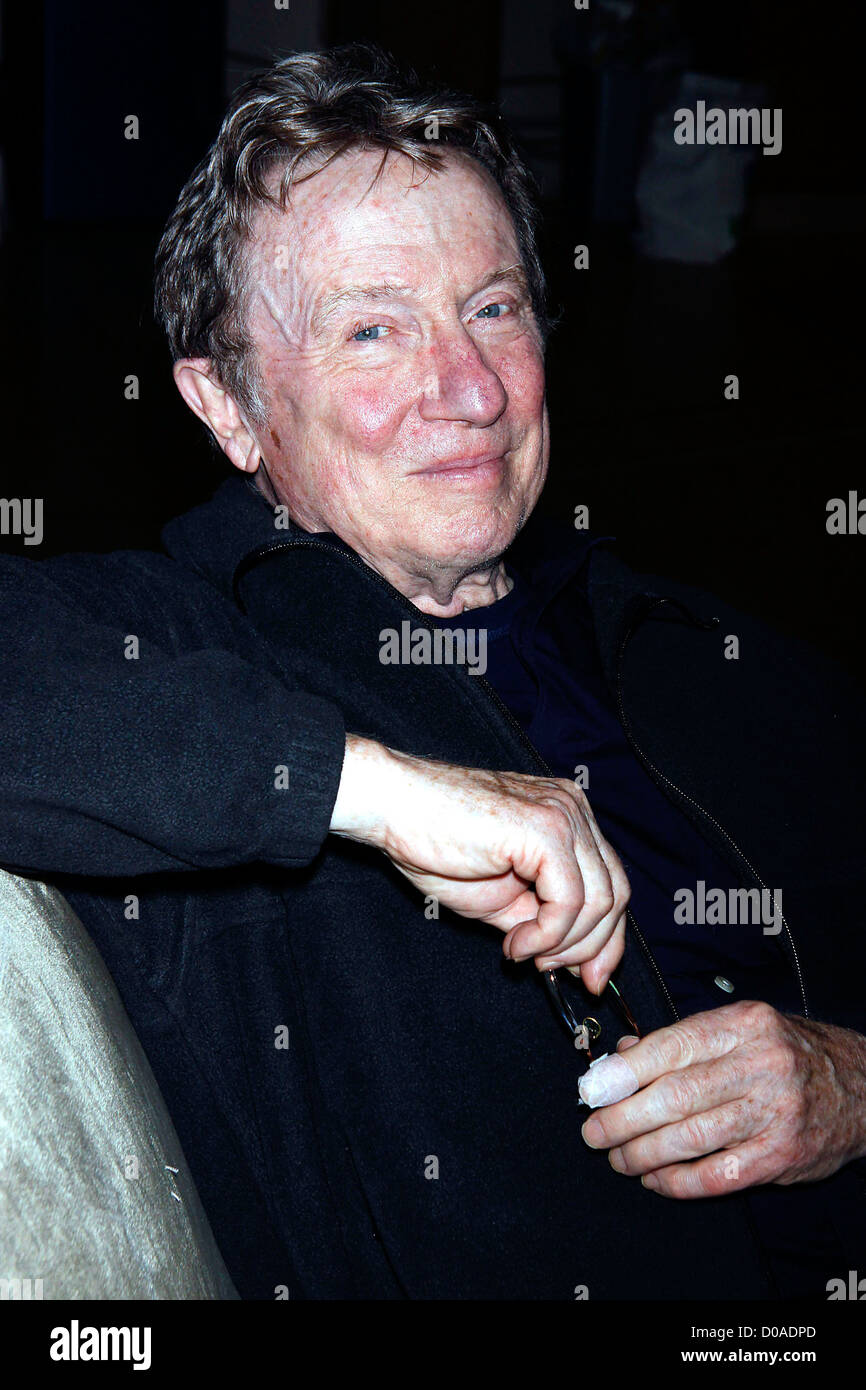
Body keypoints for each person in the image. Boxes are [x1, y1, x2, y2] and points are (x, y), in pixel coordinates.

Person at [1, 43, 865, 1300]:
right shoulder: (170, 645)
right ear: (228, 407)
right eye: (371, 328)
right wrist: (370, 790)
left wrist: (844, 1086)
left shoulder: (729, 664)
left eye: (494, 308)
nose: (465, 390)